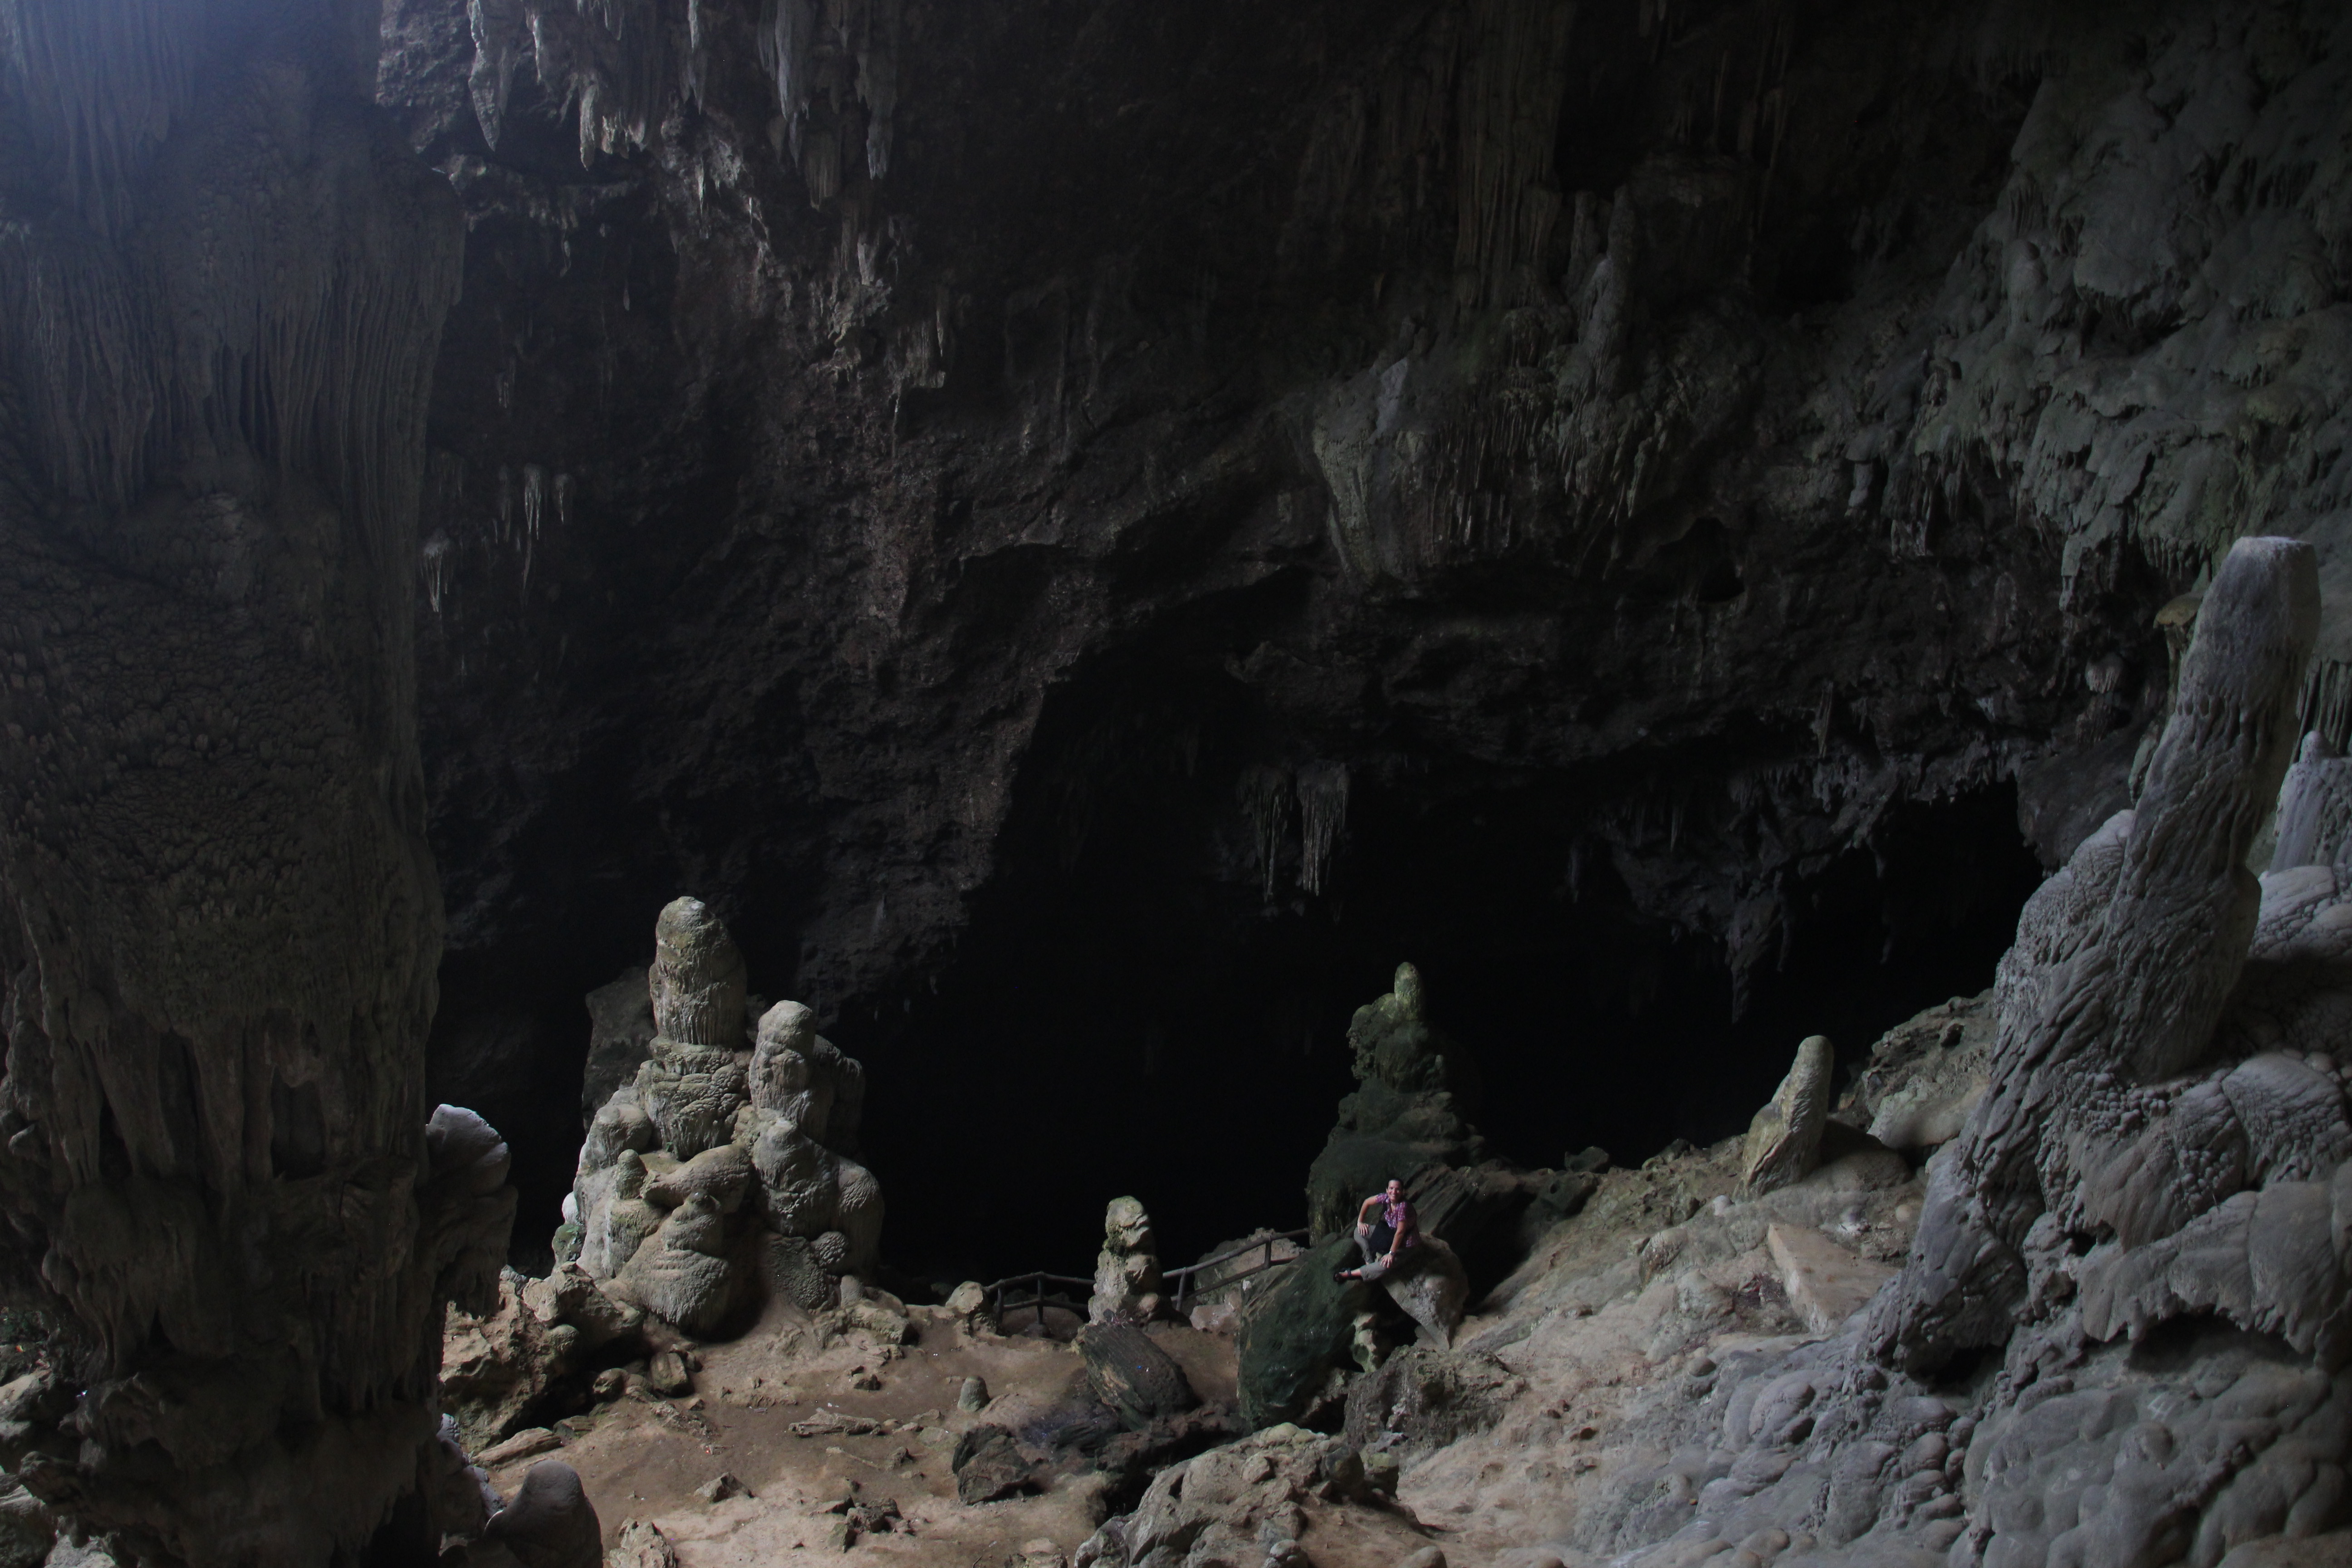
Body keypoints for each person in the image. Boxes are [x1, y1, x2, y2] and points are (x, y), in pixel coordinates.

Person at [1336, 1178, 1419, 1283]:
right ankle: (1369, 1262)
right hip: (1389, 1233)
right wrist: (1360, 1222)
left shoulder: (1403, 1207)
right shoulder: (1386, 1198)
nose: (1394, 1192)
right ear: (1387, 1190)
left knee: (1386, 1264)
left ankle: (1350, 1274)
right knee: (1358, 1232)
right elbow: (1367, 1202)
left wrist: (1391, 1254)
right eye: (1391, 1188)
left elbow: (1400, 1232)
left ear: (1403, 1192)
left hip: (1404, 1243)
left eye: (1398, 1189)